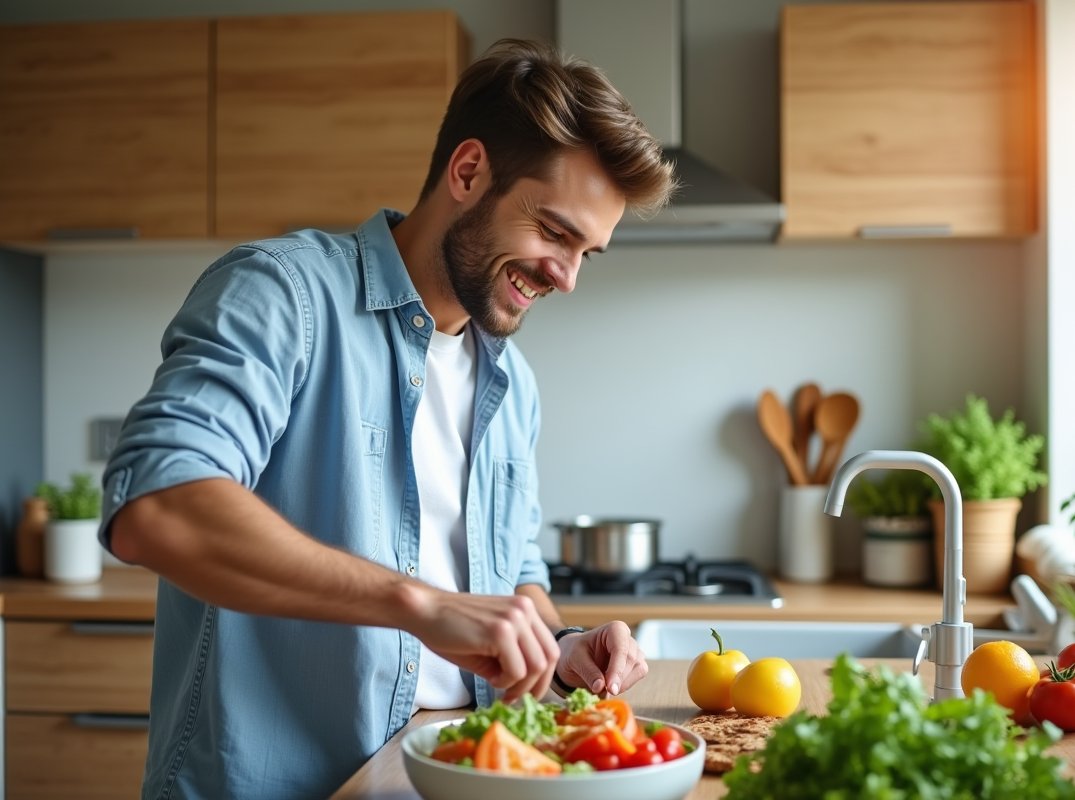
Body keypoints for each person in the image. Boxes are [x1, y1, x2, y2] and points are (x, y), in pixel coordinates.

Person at [102, 38, 676, 800]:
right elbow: (158, 506)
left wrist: (560, 643)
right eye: (555, 233)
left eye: (586, 254)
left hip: (447, 780)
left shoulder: (513, 382)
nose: (566, 278)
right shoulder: (284, 295)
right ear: (468, 173)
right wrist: (419, 606)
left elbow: (513, 575)